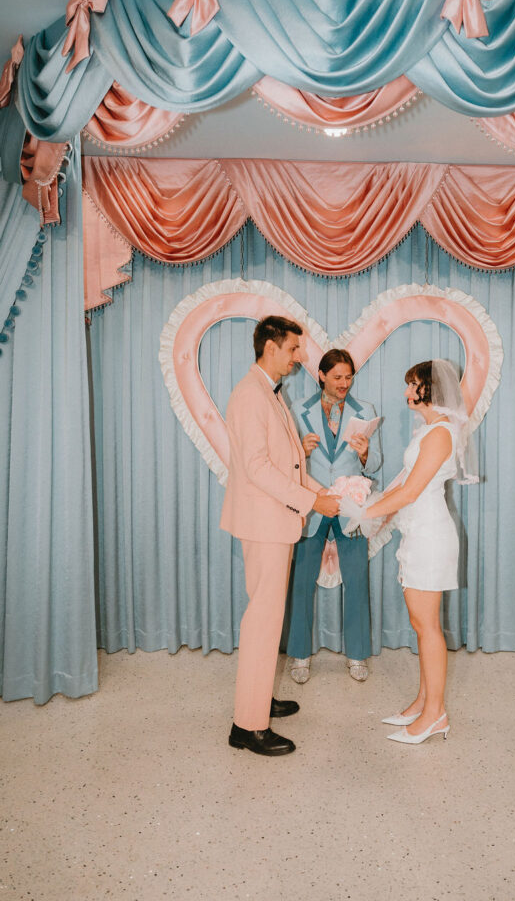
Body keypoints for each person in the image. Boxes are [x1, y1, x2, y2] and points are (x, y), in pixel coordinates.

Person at [220, 316, 340, 757]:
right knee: (263, 619)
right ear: (270, 347)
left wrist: (320, 492)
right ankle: (247, 726)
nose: (298, 357)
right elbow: (258, 469)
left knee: (269, 617)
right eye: (293, 349)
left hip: (274, 521)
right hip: (265, 523)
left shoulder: (266, 391)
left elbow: (287, 464)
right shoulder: (251, 394)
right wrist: (312, 503)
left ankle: (259, 697)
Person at [341, 359, 477, 746]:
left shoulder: (440, 433)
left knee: (428, 627)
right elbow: (401, 484)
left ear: (427, 389)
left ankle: (436, 715)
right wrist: (369, 508)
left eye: (411, 384)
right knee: (421, 625)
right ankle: (422, 702)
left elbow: (411, 492)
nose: (405, 391)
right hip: (417, 533)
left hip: (430, 536)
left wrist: (364, 513)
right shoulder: (429, 429)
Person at [287, 349, 382, 683]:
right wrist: (301, 449)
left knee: (357, 582)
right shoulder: (297, 409)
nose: (345, 383)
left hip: (350, 507)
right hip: (312, 504)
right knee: (300, 584)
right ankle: (299, 655)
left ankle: (356, 655)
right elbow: (286, 463)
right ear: (322, 375)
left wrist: (366, 452)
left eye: (349, 377)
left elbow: (376, 464)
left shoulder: (366, 411)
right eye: (338, 377)